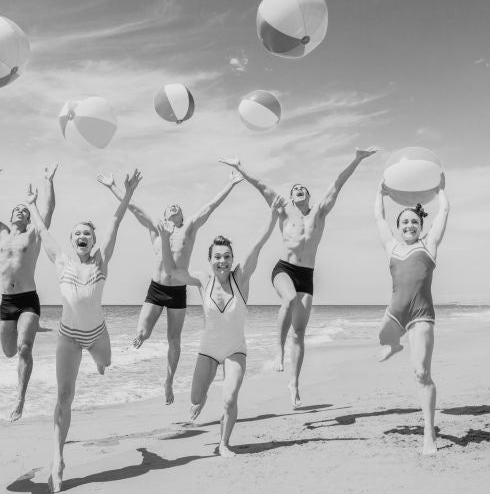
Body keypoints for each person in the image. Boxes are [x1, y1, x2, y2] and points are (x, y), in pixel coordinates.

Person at [219, 148, 377, 407]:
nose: (298, 190)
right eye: (294, 189)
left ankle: (294, 384)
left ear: (309, 196)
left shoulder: (320, 213)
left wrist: (356, 159)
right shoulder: (284, 212)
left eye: (302, 188)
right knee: (289, 299)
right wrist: (239, 167)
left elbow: (337, 183)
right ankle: (278, 350)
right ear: (291, 198)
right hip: (284, 270)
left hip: (307, 275)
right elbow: (261, 186)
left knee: (300, 333)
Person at [26, 169, 142, 492]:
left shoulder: (100, 261)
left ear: (92, 241)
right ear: (72, 239)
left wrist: (125, 191)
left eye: (86, 234)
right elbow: (42, 232)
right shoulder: (61, 261)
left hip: (98, 335)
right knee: (64, 396)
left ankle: (98, 361)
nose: (82, 236)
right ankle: (57, 458)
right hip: (68, 336)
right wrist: (33, 204)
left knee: (105, 362)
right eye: (77, 233)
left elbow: (115, 222)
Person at [96, 168, 243, 405]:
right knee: (142, 334)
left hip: (177, 291)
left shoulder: (190, 228)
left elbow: (210, 206)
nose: (174, 207)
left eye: (178, 207)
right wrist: (113, 185)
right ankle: (115, 353)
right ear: (164, 215)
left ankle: (169, 381)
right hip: (156, 289)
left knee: (174, 339)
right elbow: (132, 206)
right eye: (170, 207)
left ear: (182, 216)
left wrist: (230, 184)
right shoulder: (156, 227)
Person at [164, 200, 282, 457]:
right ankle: (203, 396)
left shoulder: (240, 278)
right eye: (217, 257)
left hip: (234, 350)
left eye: (227, 256)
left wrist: (272, 216)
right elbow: (171, 271)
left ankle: (224, 444)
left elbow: (258, 244)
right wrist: (166, 238)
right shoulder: (202, 279)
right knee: (195, 399)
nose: (223, 261)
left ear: (232, 259)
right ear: (210, 259)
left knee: (229, 399)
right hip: (207, 351)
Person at [373, 178, 449, 455]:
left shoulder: (429, 246)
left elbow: (444, 213)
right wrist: (380, 193)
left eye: (414, 223)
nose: (409, 226)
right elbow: (378, 218)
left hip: (421, 315)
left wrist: (441, 191)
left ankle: (429, 434)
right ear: (399, 226)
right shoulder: (391, 247)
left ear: (420, 226)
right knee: (382, 336)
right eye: (404, 222)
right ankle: (393, 344)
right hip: (396, 312)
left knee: (421, 373)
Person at [0, 160, 57, 421]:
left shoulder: (34, 234)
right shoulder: (0, 233)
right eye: (17, 210)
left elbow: (48, 210)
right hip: (7, 302)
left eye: (24, 211)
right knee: (8, 351)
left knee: (24, 348)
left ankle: (20, 398)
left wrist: (48, 182)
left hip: (27, 300)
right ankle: (32, 326)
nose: (20, 212)